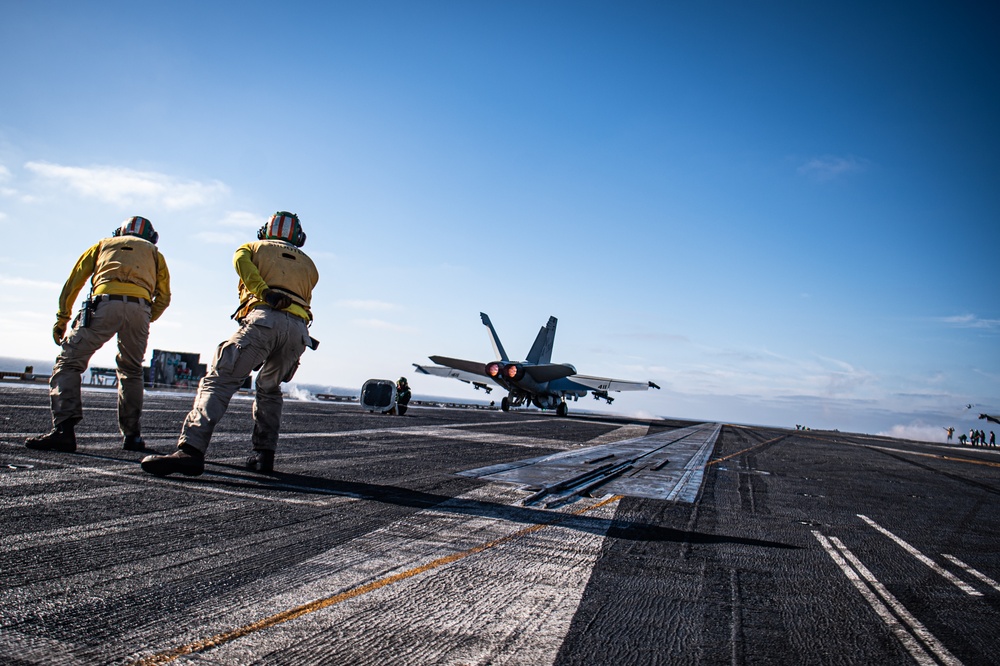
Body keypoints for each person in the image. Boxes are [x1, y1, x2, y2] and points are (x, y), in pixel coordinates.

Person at [140, 211, 318, 476]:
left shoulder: (252, 247)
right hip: (299, 331)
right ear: (298, 237)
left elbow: (242, 266)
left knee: (219, 380)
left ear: (266, 230)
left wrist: (264, 292)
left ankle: (190, 450)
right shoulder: (310, 264)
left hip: (264, 318)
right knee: (269, 389)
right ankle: (263, 456)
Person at [26, 217, 170, 453]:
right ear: (151, 237)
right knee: (131, 370)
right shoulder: (155, 254)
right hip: (140, 309)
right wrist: (146, 316)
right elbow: (164, 296)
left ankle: (64, 430)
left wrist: (62, 318)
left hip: (103, 305)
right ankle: (132, 436)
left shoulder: (103, 244)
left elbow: (74, 282)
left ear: (120, 232)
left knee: (68, 363)